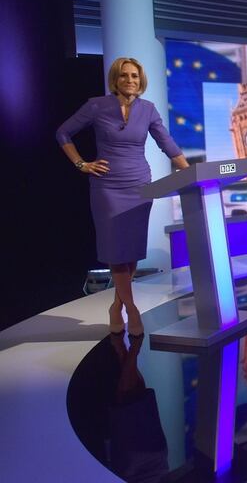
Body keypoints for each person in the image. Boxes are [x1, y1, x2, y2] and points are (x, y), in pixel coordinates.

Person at [57, 57, 189, 336]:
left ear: (141, 81)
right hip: (107, 187)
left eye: (135, 76)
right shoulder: (97, 105)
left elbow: (167, 144)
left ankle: (116, 306)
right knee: (116, 252)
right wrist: (82, 164)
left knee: (130, 253)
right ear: (115, 80)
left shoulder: (148, 109)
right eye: (125, 76)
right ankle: (131, 308)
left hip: (139, 185)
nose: (130, 80)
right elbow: (63, 133)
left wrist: (192, 173)